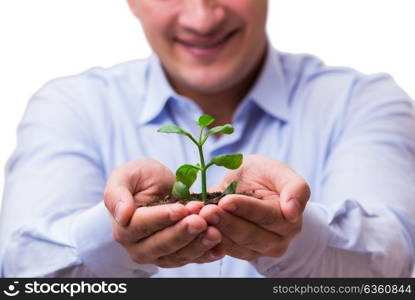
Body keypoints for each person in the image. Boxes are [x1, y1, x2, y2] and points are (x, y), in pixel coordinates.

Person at [1, 0, 414, 277]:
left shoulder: (360, 102)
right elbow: (21, 269)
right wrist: (114, 236)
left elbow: (392, 261)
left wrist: (294, 234)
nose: (202, 19)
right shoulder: (70, 105)